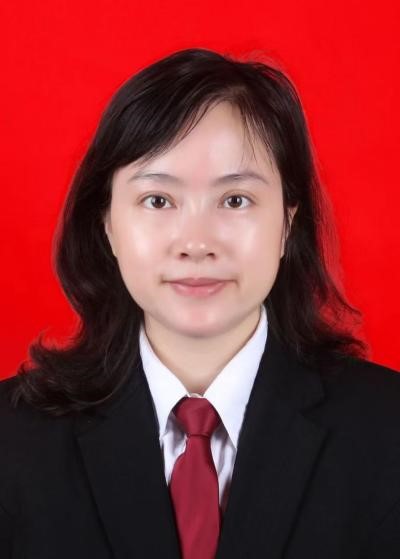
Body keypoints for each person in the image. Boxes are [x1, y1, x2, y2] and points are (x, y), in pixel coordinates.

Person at [0, 47, 399, 559]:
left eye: (235, 200)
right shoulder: (12, 441)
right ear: (108, 225)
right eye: (158, 200)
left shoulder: (388, 432)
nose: (196, 243)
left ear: (287, 225)